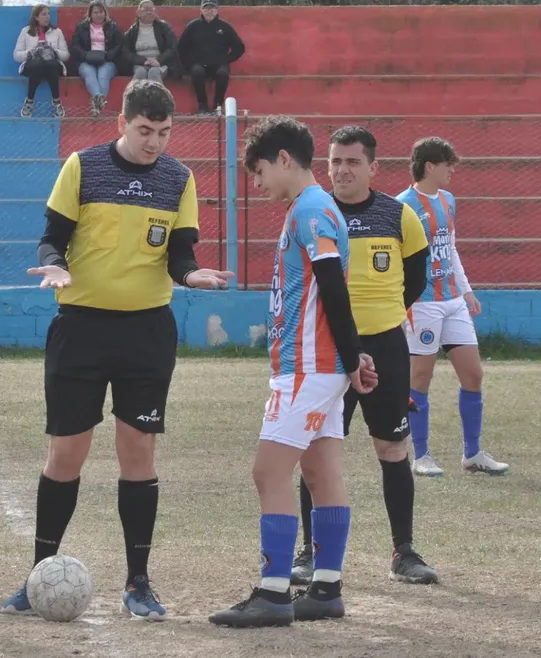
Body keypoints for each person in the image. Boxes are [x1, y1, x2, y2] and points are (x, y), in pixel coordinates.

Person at [0, 79, 234, 621]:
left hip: (146, 334)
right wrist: (55, 264)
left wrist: (191, 274)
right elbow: (51, 237)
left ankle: (138, 583)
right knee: (66, 455)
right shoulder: (82, 166)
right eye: (145, 130)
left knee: (139, 454)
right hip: (80, 329)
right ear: (122, 124)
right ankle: (38, 578)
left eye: (164, 132)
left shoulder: (179, 178)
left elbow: (179, 255)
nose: (155, 142)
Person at [208, 116, 377, 629]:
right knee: (321, 472)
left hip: (307, 367)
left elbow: (331, 283)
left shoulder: (310, 209)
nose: (256, 185)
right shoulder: (313, 208)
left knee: (269, 473)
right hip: (320, 366)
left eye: (259, 172)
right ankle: (325, 588)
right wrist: (350, 361)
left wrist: (351, 358)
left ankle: (274, 592)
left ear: (284, 159)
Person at [290, 126, 439, 589]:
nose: (341, 170)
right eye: (335, 161)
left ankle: (404, 551)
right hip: (327, 350)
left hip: (385, 346)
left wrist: (380, 316)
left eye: (352, 161)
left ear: (373, 168)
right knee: (315, 452)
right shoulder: (315, 212)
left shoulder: (399, 217)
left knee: (392, 448)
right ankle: (310, 552)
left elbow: (414, 279)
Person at [397, 137, 508, 477]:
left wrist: (467, 291)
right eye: (448, 164)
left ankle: (472, 454)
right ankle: (421, 455)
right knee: (420, 377)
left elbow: (451, 248)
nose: (452, 170)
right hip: (423, 303)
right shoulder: (402, 206)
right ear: (429, 166)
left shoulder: (447, 200)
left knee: (473, 374)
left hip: (452, 301)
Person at [177, 0, 244, 115]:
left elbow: (239, 47)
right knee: (197, 72)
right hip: (198, 64)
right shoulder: (193, 26)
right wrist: (188, 64)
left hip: (219, 64)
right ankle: (202, 106)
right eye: (206, 8)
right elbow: (181, 47)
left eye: (212, 8)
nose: (209, 11)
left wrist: (226, 60)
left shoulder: (225, 26)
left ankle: (217, 106)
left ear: (217, 10)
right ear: (201, 10)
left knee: (223, 74)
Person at [13, 4, 69, 118]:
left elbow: (66, 55)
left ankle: (56, 101)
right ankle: (29, 101)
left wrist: (54, 52)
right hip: (32, 65)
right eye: (43, 14)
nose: (47, 17)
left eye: (48, 14)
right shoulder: (26, 31)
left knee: (51, 63)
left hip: (52, 65)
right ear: (36, 17)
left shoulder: (57, 31)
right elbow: (16, 55)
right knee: (37, 64)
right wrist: (30, 52)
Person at [69, 0, 123, 117]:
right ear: (90, 14)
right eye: (95, 12)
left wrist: (108, 56)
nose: (99, 15)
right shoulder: (82, 27)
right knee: (89, 73)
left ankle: (96, 106)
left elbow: (119, 45)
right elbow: (75, 45)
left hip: (108, 60)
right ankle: (99, 102)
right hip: (86, 60)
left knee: (103, 74)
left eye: (101, 12)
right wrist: (85, 55)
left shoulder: (113, 27)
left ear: (105, 13)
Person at [122, 0, 179, 84]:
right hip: (140, 64)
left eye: (152, 10)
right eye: (146, 10)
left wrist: (159, 60)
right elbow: (125, 51)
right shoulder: (132, 31)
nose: (149, 12)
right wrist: (142, 61)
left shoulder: (163, 27)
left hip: (161, 64)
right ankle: (135, 96)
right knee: (140, 73)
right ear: (138, 13)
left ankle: (157, 96)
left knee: (154, 73)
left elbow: (173, 47)